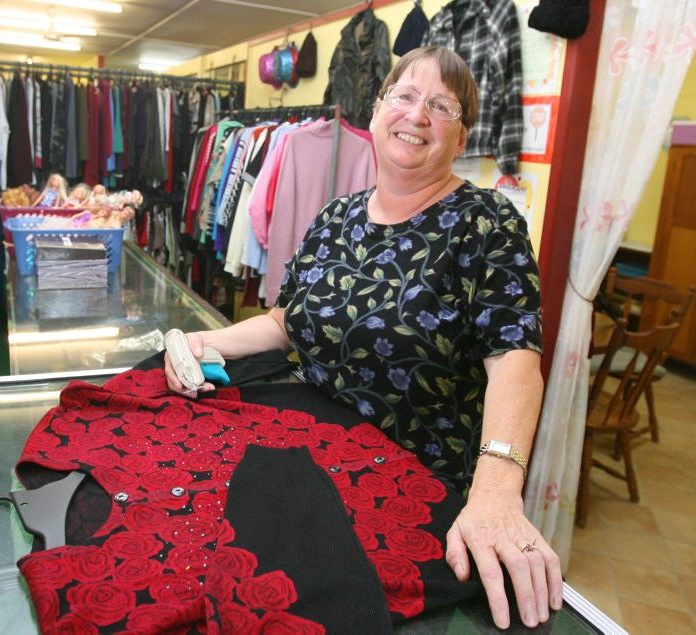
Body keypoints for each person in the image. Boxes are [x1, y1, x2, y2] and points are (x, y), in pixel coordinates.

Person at [165, 46, 562, 629]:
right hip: (308, 459)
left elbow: (515, 359)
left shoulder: (487, 222)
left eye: (441, 105)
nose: (417, 115)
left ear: (462, 135)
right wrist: (208, 344)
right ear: (376, 112)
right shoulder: (336, 217)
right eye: (404, 96)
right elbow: (284, 320)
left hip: (411, 486)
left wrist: (497, 491)